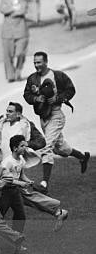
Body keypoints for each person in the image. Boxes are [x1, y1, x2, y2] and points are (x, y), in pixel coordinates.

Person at [23, 51, 89, 193]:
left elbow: (71, 90)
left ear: (46, 62)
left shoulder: (58, 75)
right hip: (43, 117)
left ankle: (44, 184)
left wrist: (59, 98)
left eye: (39, 62)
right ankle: (82, 157)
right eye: (34, 62)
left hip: (56, 115)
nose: (36, 65)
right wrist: (35, 99)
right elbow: (26, 94)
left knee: (46, 147)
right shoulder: (32, 78)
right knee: (60, 149)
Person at [0, 0, 29, 83]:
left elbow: (22, 10)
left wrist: (10, 10)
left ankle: (18, 71)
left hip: (21, 30)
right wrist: (14, 7)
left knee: (21, 53)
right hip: (7, 32)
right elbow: (2, 10)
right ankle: (10, 75)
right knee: (7, 55)